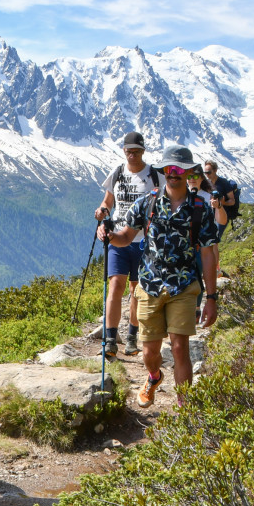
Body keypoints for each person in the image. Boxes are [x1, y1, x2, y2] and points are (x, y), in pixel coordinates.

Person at [106, 146, 218, 408]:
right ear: (164, 171)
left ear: (190, 172)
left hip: (184, 285)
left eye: (179, 169)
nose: (173, 174)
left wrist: (211, 297)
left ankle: (185, 407)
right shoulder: (147, 203)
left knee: (180, 347)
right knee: (149, 352)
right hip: (150, 284)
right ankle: (154, 377)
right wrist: (110, 236)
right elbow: (126, 237)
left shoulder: (201, 209)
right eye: (169, 169)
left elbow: (209, 255)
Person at [94, 132, 160, 357]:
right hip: (117, 236)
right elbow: (108, 201)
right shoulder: (118, 173)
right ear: (124, 151)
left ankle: (132, 336)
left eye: (136, 151)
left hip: (144, 240)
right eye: (128, 151)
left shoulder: (154, 176)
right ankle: (111, 338)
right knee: (115, 285)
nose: (132, 155)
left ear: (143, 151)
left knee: (136, 289)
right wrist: (102, 210)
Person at [186, 168, 228, 286]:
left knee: (200, 280)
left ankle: (201, 302)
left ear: (201, 178)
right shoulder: (182, 195)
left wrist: (218, 206)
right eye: (189, 177)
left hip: (205, 244)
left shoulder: (209, 196)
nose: (192, 180)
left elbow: (222, 221)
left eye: (195, 177)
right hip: (186, 243)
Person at [203, 159, 238, 244]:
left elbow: (232, 200)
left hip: (222, 215)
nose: (207, 175)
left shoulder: (224, 183)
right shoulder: (206, 184)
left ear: (215, 170)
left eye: (209, 172)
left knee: (215, 238)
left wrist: (223, 203)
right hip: (210, 215)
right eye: (205, 173)